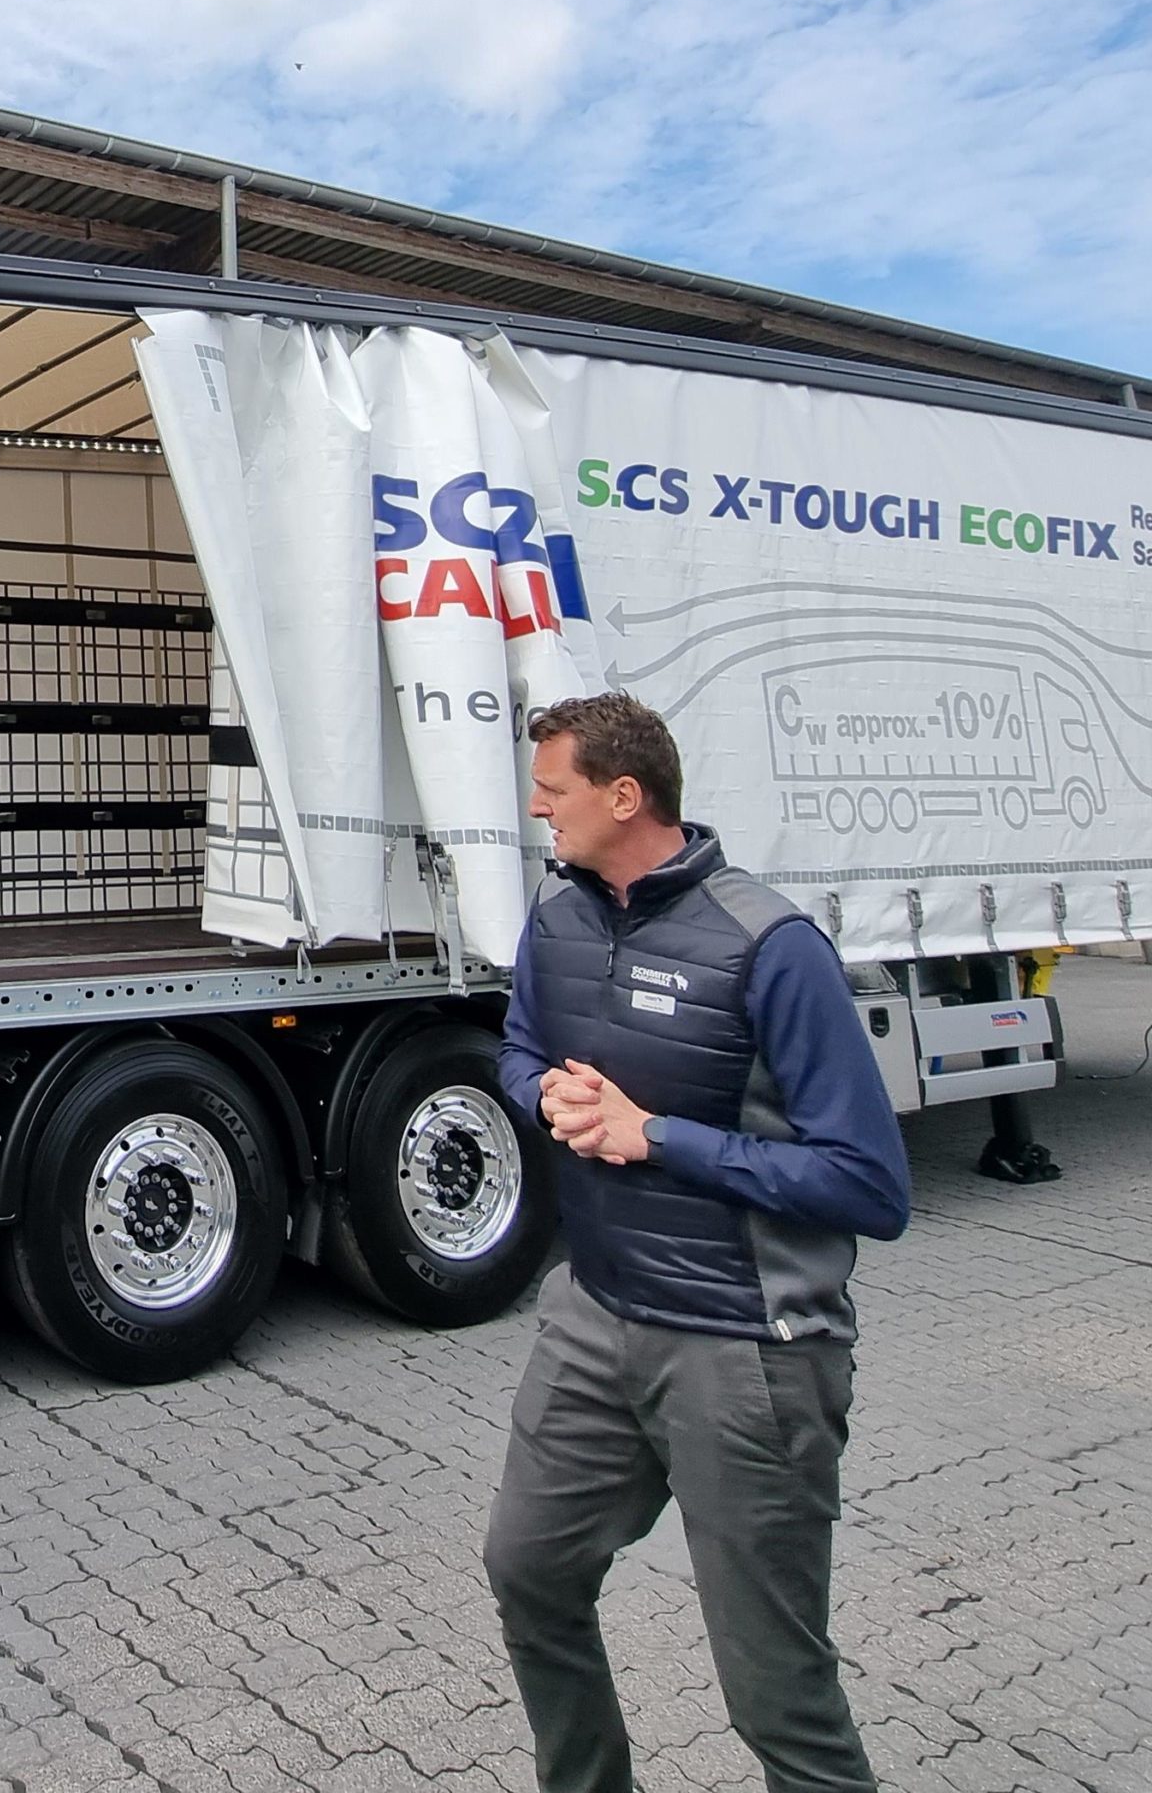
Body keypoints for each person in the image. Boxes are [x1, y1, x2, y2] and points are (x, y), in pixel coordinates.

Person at [484, 692, 911, 1793]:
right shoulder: (558, 914)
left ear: (625, 795)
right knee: (528, 1571)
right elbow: (519, 1048)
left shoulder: (771, 945)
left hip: (745, 1349)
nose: (537, 807)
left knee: (776, 1694)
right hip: (594, 1316)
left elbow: (870, 1184)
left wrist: (657, 1135)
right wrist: (546, 1098)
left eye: (554, 788)